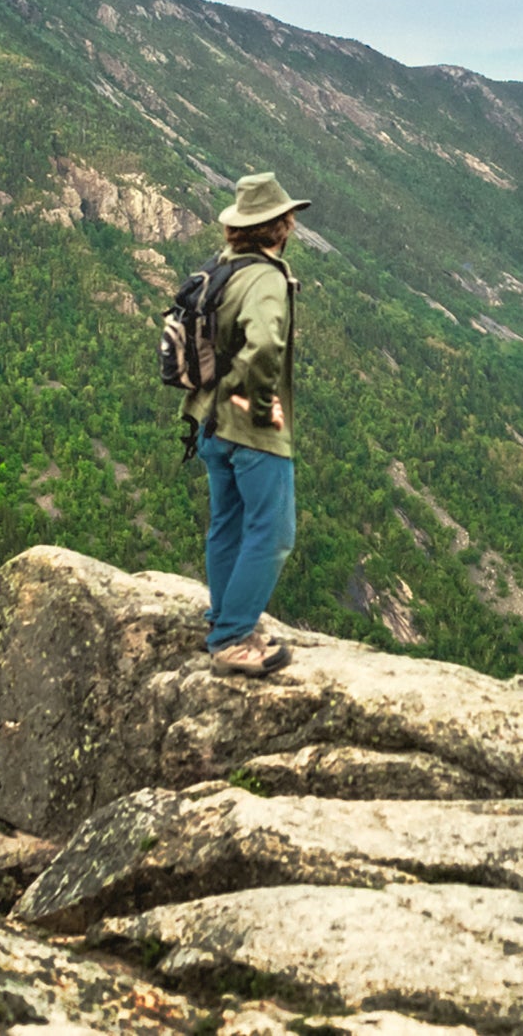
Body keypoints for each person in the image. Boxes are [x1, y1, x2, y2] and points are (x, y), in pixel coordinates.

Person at [185, 172, 309, 676]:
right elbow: (263, 347)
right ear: (277, 226)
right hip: (249, 429)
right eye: (289, 216)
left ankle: (222, 619)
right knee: (274, 531)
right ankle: (234, 640)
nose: (293, 222)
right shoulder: (266, 279)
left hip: (206, 421)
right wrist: (257, 404)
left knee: (227, 525)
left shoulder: (223, 267)